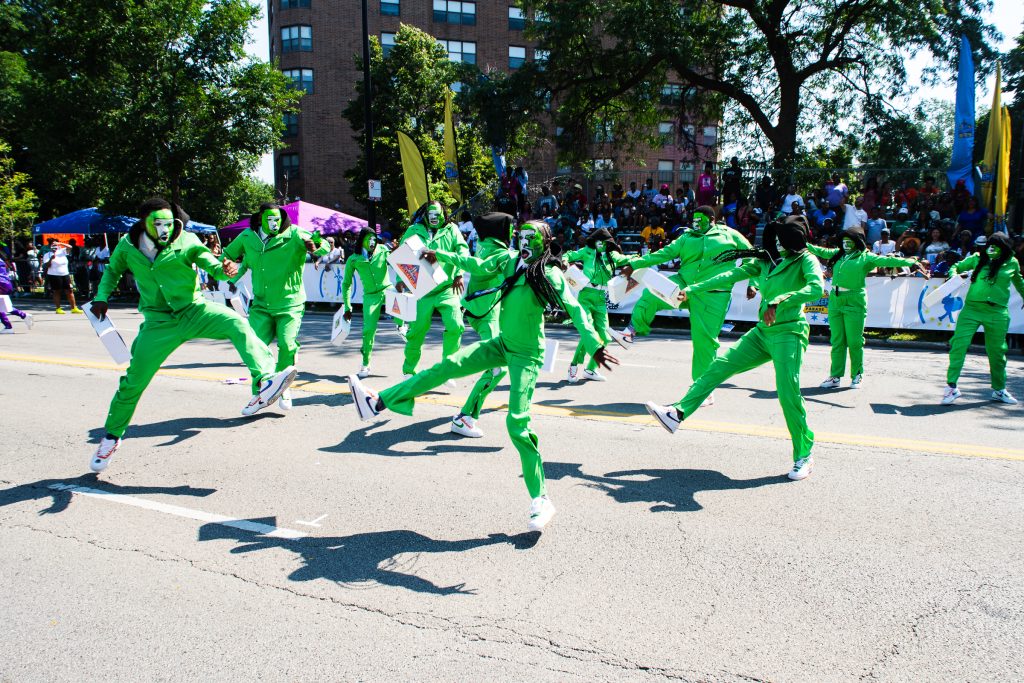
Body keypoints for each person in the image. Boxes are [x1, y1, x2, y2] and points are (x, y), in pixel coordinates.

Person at [347, 220, 619, 531]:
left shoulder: (549, 272)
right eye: (522, 235)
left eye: (533, 237)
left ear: (545, 242)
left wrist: (595, 345)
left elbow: (575, 309)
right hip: (501, 344)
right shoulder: (508, 260)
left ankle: (541, 499)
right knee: (445, 367)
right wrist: (441, 255)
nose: (526, 240)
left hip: (527, 356)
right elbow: (474, 262)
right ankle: (378, 402)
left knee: (517, 423)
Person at [87, 198, 297, 473]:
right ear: (144, 224)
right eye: (157, 224)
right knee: (133, 382)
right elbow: (112, 271)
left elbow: (209, 262)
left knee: (237, 323)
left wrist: (225, 269)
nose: (164, 230)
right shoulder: (128, 246)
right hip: (159, 323)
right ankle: (111, 437)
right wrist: (102, 296)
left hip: (195, 310)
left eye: (168, 224)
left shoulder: (187, 240)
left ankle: (265, 381)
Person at [644, 216, 825, 481]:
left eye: (782, 238)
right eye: (775, 238)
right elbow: (729, 274)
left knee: (788, 393)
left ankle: (803, 454)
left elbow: (816, 287)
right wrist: (692, 289)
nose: (778, 242)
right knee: (718, 367)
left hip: (789, 332)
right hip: (763, 333)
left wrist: (780, 299)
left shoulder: (805, 260)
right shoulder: (764, 260)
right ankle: (677, 413)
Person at [621, 206, 754, 405]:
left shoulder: (730, 235)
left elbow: (753, 256)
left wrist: (754, 283)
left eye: (700, 219)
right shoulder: (686, 237)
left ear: (712, 219)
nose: (695, 223)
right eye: (694, 219)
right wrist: (636, 263)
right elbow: (663, 254)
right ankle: (631, 331)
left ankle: (703, 390)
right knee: (651, 293)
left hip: (713, 295)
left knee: (704, 343)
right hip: (683, 285)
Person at [221, 203, 327, 411]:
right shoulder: (247, 238)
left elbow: (321, 244)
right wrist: (225, 267)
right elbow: (227, 257)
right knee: (253, 348)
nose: (274, 223)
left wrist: (316, 246)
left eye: (277, 219)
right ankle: (259, 393)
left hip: (290, 303)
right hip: (261, 305)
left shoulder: (294, 234)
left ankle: (282, 388)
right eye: (269, 219)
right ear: (261, 219)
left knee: (287, 345)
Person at [425, 212, 516, 438]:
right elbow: (477, 266)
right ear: (502, 231)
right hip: (487, 315)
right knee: (498, 369)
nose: (514, 232)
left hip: (485, 312)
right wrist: (442, 255)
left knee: (508, 361)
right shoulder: (499, 252)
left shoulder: (485, 245)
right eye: (511, 228)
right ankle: (465, 417)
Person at [809, 229, 926, 389]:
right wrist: (802, 243)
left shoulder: (866, 257)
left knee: (855, 341)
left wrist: (909, 261)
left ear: (857, 242)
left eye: (849, 241)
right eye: (843, 240)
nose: (845, 243)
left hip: (854, 300)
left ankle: (857, 374)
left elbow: (887, 261)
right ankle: (835, 376)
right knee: (837, 341)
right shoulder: (838, 254)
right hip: (835, 301)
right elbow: (821, 251)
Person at [941, 232, 1024, 405]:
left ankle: (999, 390)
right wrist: (953, 276)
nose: (991, 248)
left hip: (997, 312)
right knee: (958, 345)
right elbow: (956, 266)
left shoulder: (1012, 262)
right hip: (972, 309)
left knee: (997, 352)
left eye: (996, 244)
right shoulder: (978, 258)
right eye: (990, 244)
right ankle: (951, 388)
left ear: (1005, 247)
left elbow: (1019, 282)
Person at [397, 201, 468, 378]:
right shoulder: (414, 230)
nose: (435, 217)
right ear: (425, 215)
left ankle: (447, 367)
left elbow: (463, 251)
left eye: (438, 214)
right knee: (416, 332)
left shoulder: (452, 230)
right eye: (431, 214)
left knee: (456, 326)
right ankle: (408, 371)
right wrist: (400, 279)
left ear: (443, 214)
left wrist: (459, 273)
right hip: (423, 290)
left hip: (446, 288)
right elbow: (402, 255)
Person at [563, 229, 631, 382]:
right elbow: (568, 255)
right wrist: (565, 260)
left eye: (606, 242)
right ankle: (573, 366)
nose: (604, 244)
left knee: (605, 337)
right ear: (595, 241)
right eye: (601, 241)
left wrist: (643, 259)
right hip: (586, 295)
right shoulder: (587, 251)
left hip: (601, 298)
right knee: (589, 333)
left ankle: (590, 370)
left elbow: (626, 258)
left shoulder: (611, 255)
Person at [341, 228, 391, 379]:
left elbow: (400, 264)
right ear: (362, 239)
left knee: (403, 306)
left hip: (388, 289)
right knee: (368, 330)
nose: (372, 242)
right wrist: (347, 305)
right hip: (370, 296)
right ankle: (365, 362)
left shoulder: (383, 249)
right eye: (368, 239)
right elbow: (346, 284)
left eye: (374, 239)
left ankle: (401, 324)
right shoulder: (354, 259)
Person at [41, 238, 82, 314]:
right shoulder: (47, 255)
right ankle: (58, 308)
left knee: (70, 290)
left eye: (56, 245)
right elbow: (47, 265)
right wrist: (51, 259)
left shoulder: (62, 251)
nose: (55, 247)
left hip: (65, 274)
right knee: (57, 291)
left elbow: (70, 247)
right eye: (53, 245)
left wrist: (60, 243)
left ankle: (74, 308)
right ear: (50, 247)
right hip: (54, 275)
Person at [0, 255, 33, 333]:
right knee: (3, 306)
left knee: (2, 306)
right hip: (5, 283)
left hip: (1, 283)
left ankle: (9, 325)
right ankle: (21, 317)